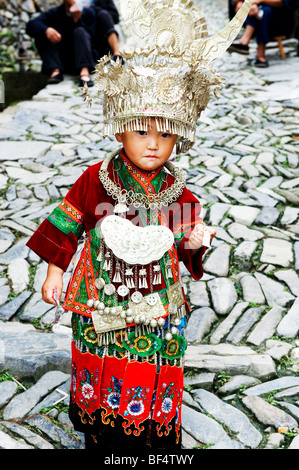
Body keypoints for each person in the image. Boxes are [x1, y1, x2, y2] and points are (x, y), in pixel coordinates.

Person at [26, 0, 252, 450]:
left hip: (158, 300)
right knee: (100, 356)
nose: (153, 144)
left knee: (153, 361)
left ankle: (152, 431)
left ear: (180, 137)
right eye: (141, 131)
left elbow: (187, 250)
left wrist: (195, 240)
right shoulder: (96, 179)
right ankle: (101, 430)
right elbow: (67, 221)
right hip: (100, 293)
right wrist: (55, 268)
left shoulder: (181, 195)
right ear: (119, 131)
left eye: (165, 134)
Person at [26, 0, 97, 86]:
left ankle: (85, 72)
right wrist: (46, 30)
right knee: (41, 32)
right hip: (61, 61)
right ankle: (55, 71)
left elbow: (92, 38)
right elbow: (31, 25)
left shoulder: (88, 13)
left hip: (82, 58)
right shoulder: (55, 12)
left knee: (80, 31)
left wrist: (77, 20)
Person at [228, 0, 298, 67]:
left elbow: (284, 3)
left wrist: (261, 1)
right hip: (252, 14)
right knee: (257, 10)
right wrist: (240, 3)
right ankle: (259, 55)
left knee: (265, 11)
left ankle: (246, 42)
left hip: (278, 23)